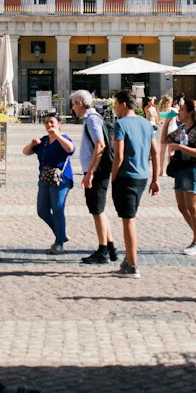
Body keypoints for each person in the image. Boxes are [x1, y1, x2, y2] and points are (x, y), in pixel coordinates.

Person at [110, 89, 160, 278]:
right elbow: (154, 153)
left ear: (123, 104)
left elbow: (119, 155)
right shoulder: (146, 124)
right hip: (142, 177)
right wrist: (155, 179)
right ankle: (128, 259)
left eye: (115, 104)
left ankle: (132, 265)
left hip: (126, 176)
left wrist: (113, 177)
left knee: (128, 221)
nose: (114, 107)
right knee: (129, 216)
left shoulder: (121, 124)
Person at [70, 89, 117, 264]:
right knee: (99, 209)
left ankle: (102, 250)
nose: (72, 108)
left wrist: (90, 172)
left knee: (96, 210)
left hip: (96, 171)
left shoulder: (91, 119)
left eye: (73, 104)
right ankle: (110, 247)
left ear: (79, 103)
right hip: (97, 170)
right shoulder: (92, 118)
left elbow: (100, 145)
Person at [163, 94, 196, 255]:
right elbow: (165, 140)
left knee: (192, 207)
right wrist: (168, 120)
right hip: (180, 169)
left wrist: (180, 147)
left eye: (182, 109)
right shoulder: (182, 129)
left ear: (190, 112)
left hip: (192, 170)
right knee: (182, 207)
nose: (179, 111)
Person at [23, 110, 75, 255]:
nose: (48, 125)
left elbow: (70, 149)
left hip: (61, 180)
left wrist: (57, 134)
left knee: (58, 209)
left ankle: (59, 243)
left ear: (59, 124)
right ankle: (61, 233)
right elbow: (26, 152)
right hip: (45, 178)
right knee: (42, 211)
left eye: (52, 122)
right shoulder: (44, 140)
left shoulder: (63, 138)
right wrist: (32, 144)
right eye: (46, 122)